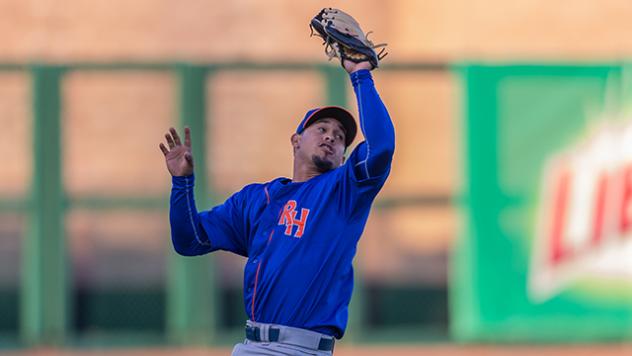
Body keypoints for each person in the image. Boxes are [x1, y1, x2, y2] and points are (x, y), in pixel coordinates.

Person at [159, 59, 394, 355]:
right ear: (296, 140)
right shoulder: (255, 200)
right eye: (321, 128)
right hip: (252, 345)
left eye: (340, 137)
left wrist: (360, 75)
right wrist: (182, 184)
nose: (331, 136)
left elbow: (382, 146)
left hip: (304, 349)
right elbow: (189, 240)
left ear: (344, 157)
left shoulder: (345, 191)